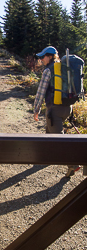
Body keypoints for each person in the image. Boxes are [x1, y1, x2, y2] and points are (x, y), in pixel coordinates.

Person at [33, 46, 80, 178]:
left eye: (43, 57)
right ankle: (46, 156)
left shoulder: (48, 70)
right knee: (50, 130)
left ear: (50, 56)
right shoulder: (65, 68)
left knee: (59, 139)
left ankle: (73, 164)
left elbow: (41, 92)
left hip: (55, 110)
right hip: (67, 108)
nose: (41, 59)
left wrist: (36, 110)